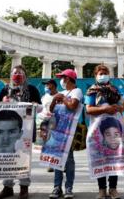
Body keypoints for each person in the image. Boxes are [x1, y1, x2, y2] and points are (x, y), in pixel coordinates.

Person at [85, 64, 124, 199]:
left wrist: (119, 108)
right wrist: (105, 109)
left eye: (105, 72)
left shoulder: (115, 90)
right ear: (95, 75)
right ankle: (102, 189)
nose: (103, 75)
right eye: (100, 73)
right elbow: (89, 109)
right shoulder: (92, 91)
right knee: (100, 158)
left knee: (114, 157)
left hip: (115, 129)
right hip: (98, 131)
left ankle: (113, 189)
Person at [0, 65, 38, 199]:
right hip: (9, 129)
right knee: (8, 158)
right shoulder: (5, 90)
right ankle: (7, 187)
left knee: (24, 158)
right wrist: (2, 101)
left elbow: (38, 106)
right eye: (15, 73)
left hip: (26, 130)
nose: (17, 75)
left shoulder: (32, 89)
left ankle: (24, 188)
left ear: (25, 76)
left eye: (20, 73)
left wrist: (33, 106)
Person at [49, 69, 83, 199]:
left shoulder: (76, 91)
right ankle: (57, 187)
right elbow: (52, 110)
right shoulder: (62, 93)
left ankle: (68, 187)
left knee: (68, 160)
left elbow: (73, 106)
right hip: (58, 131)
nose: (61, 80)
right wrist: (53, 101)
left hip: (70, 131)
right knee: (57, 159)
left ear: (68, 79)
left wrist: (62, 98)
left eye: (62, 77)